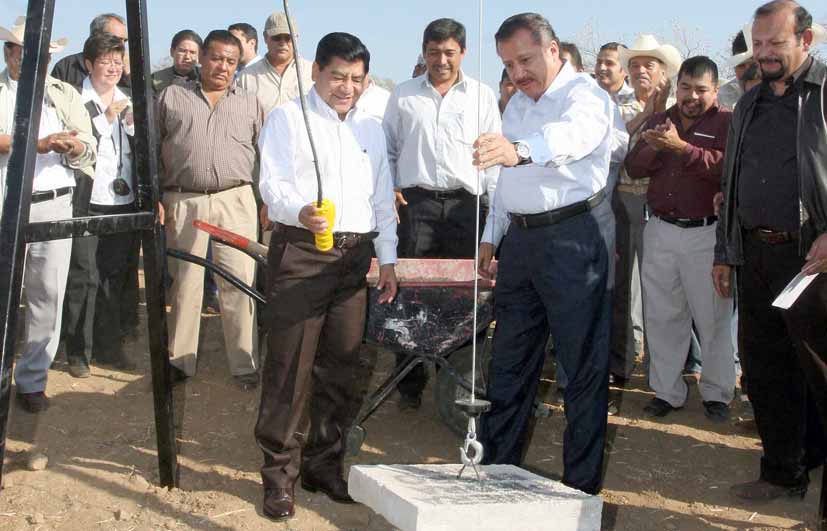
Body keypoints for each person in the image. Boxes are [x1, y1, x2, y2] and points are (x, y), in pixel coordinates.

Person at [255, 32, 398, 521]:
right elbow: (271, 184)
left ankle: (323, 465)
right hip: (302, 253)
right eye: (338, 76)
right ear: (316, 71)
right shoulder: (287, 118)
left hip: (354, 261)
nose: (346, 87)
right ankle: (279, 476)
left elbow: (382, 198)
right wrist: (299, 209)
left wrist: (388, 258)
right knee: (290, 367)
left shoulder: (372, 129)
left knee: (342, 365)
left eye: (356, 79)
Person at [474, 12, 614, 495]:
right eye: (508, 65)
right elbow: (505, 178)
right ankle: (496, 470)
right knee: (509, 361)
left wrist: (520, 149)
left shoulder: (586, 97)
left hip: (573, 239)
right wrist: (492, 234)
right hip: (520, 244)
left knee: (581, 367)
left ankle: (579, 488)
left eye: (526, 59)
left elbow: (570, 139)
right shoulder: (517, 105)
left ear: (553, 50)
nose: (518, 73)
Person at [713, 0, 827, 501]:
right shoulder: (748, 103)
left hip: (812, 259)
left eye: (775, 43)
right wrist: (724, 251)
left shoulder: (823, 93)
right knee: (765, 369)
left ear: (806, 40)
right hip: (755, 255)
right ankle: (782, 471)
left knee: (818, 370)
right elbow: (731, 182)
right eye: (758, 44)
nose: (764, 53)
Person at [383, 17, 501, 411]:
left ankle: (460, 386)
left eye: (449, 52)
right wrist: (390, 188)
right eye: (434, 52)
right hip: (416, 207)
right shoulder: (403, 95)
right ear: (424, 53)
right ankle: (409, 385)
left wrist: (494, 217)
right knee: (411, 295)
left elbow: (493, 158)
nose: (441, 60)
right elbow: (387, 150)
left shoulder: (482, 96)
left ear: (463, 52)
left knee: (465, 298)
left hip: (467, 208)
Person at [625, 56, 734, 420]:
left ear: (715, 90)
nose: (692, 96)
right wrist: (657, 144)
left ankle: (717, 394)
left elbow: (728, 171)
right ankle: (667, 391)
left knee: (712, 316)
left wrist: (682, 149)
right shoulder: (661, 120)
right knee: (662, 316)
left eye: (701, 89)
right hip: (660, 230)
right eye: (686, 87)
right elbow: (633, 167)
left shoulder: (726, 122)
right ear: (677, 86)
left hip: (706, 233)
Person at [0, 17, 95, 411]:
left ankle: (32, 381)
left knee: (47, 294)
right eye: (24, 51)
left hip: (55, 203)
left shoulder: (63, 93)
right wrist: (33, 144)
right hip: (6, 204)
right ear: (9, 52)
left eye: (42, 54)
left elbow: (88, 144)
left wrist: (73, 147)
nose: (33, 60)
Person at [157, 30, 261, 389]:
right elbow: (152, 149)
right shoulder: (171, 96)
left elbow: (263, 156)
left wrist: (264, 202)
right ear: (201, 57)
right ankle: (180, 361)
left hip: (236, 201)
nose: (223, 67)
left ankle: (245, 364)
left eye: (231, 61)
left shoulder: (250, 103)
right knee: (186, 284)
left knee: (239, 282)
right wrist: (155, 196)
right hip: (185, 202)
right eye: (216, 58)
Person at [63, 34, 139, 378]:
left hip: (121, 201)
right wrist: (107, 118)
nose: (113, 68)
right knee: (84, 276)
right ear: (89, 64)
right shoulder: (74, 100)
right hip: (86, 202)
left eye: (117, 61)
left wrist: (134, 125)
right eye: (105, 61)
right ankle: (77, 351)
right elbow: (75, 147)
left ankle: (109, 348)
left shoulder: (128, 99)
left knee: (114, 277)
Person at [610, 35, 682, 385]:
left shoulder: (680, 109)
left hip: (665, 205)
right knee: (623, 288)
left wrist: (661, 111)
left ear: (663, 72)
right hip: (624, 201)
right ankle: (622, 364)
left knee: (664, 291)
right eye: (635, 65)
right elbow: (613, 150)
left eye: (648, 65)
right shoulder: (615, 107)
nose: (640, 70)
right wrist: (646, 115)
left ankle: (663, 370)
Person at [237, 12, 313, 116]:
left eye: (288, 38)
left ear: (296, 38)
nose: (282, 43)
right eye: (277, 37)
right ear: (265, 37)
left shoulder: (312, 73)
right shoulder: (246, 77)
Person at [51, 13, 130, 91]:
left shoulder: (126, 68)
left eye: (125, 40)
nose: (122, 45)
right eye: (116, 39)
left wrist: (128, 75)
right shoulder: (66, 66)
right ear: (97, 35)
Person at [152, 30, 202, 94]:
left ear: (199, 55)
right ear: (172, 52)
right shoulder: (155, 80)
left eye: (192, 52)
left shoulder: (206, 78)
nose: (187, 57)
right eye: (182, 51)